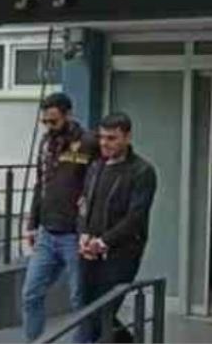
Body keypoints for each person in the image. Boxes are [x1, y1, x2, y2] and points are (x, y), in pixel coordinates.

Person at [23, 92, 97, 342]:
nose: (49, 126)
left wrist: (90, 227)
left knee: (79, 299)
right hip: (47, 232)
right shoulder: (46, 143)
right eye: (45, 121)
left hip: (75, 234)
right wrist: (32, 223)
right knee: (31, 293)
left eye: (53, 121)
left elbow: (98, 182)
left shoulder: (88, 142)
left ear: (68, 115)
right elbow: (40, 183)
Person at [78, 113, 157, 343]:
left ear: (127, 137)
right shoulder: (96, 167)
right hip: (90, 253)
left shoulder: (142, 171)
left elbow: (135, 217)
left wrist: (103, 242)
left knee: (102, 313)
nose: (104, 143)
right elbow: (84, 204)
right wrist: (83, 234)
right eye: (102, 137)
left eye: (112, 138)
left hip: (121, 254)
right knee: (90, 312)